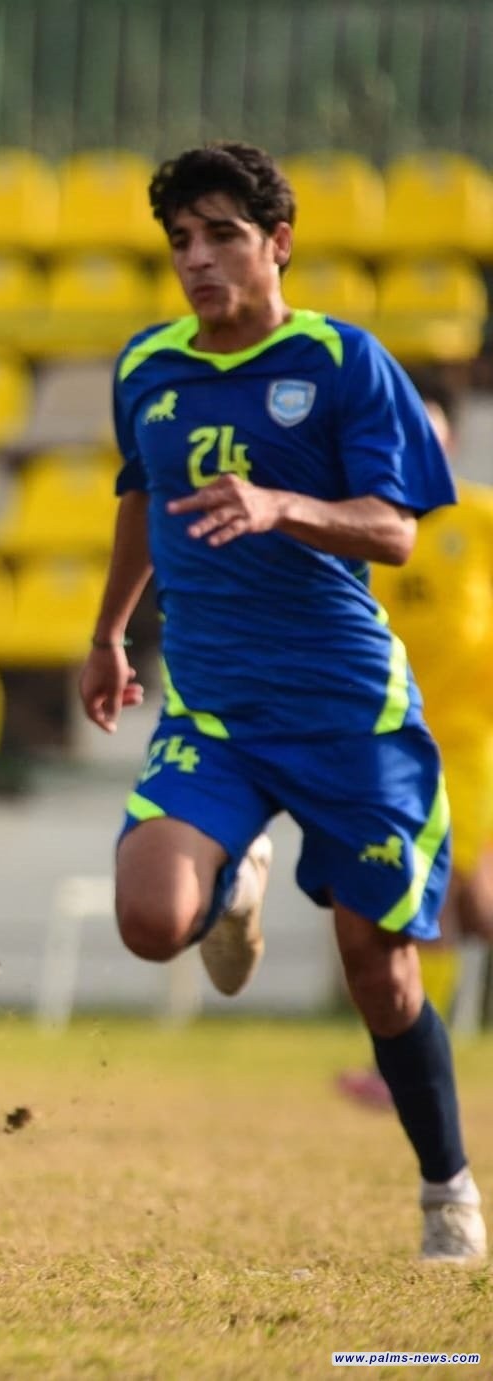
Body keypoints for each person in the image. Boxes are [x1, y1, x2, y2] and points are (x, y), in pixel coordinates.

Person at [79, 142, 484, 1263]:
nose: (196, 262)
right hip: (212, 710)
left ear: (277, 244)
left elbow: (395, 530)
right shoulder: (145, 368)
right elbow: (138, 499)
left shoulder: (343, 361)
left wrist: (278, 505)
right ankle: (232, 882)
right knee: (151, 920)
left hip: (349, 714)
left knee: (380, 973)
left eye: (220, 237)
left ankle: (447, 1185)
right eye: (179, 243)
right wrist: (111, 630)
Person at [338, 387, 493, 1109]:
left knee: (467, 902)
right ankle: (410, 1064)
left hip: (472, 746)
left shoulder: (482, 521)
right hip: (395, 743)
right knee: (421, 902)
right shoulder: (368, 529)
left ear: (451, 446)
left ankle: (411, 1063)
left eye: (427, 436)